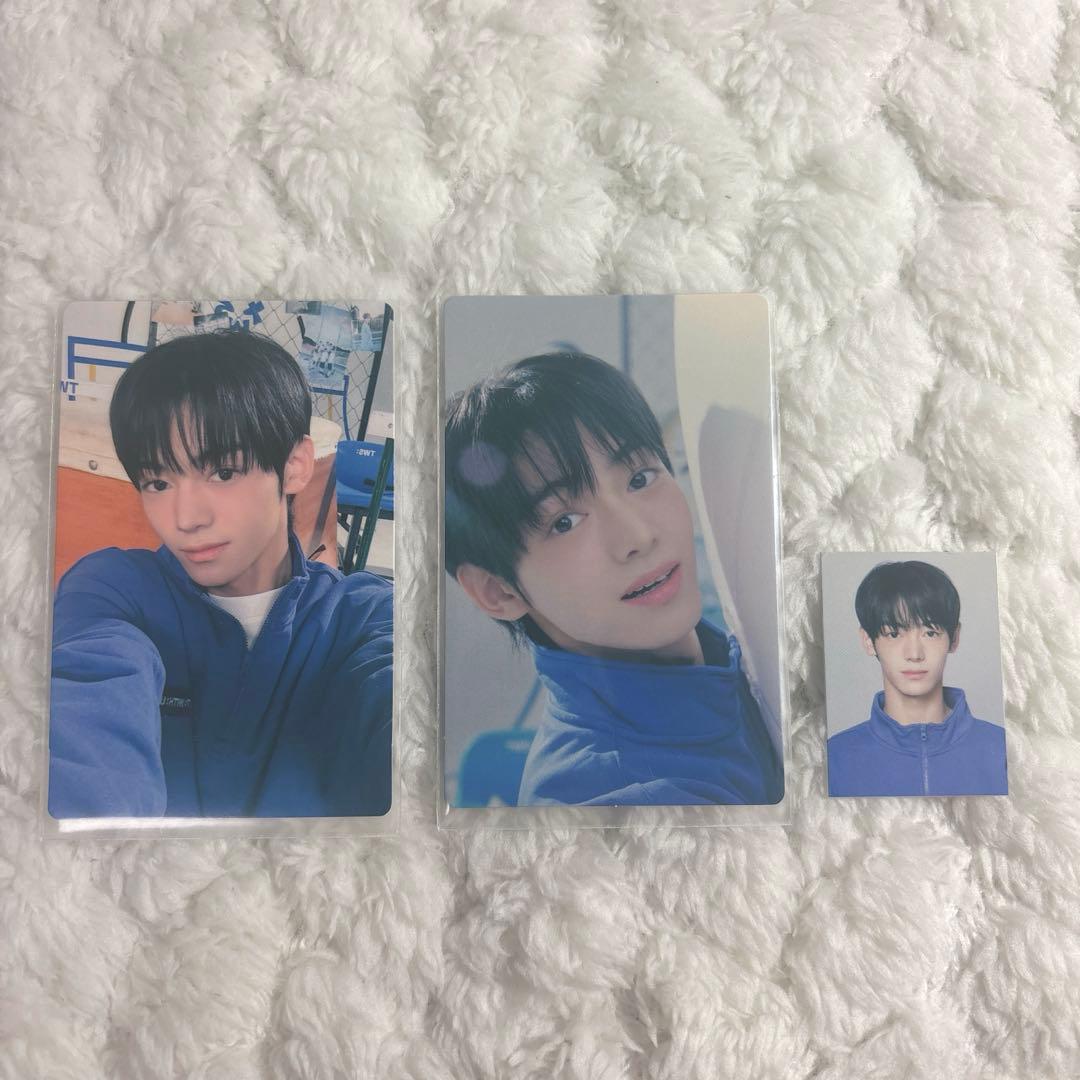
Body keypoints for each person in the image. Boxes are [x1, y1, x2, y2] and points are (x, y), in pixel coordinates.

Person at [48, 330, 393, 818]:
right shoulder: (110, 591)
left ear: (295, 466)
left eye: (223, 473)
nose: (186, 518)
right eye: (158, 482)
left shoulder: (363, 617)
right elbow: (86, 696)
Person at [445, 352, 783, 807]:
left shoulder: (745, 656)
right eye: (565, 522)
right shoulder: (611, 803)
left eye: (640, 478)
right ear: (498, 591)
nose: (638, 537)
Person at [827, 560, 1007, 797]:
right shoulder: (834, 757)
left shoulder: (1003, 748)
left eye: (930, 633)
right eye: (894, 634)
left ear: (954, 638)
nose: (914, 654)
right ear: (868, 641)